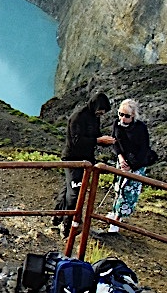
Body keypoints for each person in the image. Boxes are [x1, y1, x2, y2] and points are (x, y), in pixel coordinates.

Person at [56, 91, 115, 235]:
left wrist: (106, 141)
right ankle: (68, 225)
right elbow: (76, 141)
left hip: (86, 160)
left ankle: (57, 216)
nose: (102, 114)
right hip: (73, 160)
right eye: (101, 111)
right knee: (75, 192)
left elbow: (94, 136)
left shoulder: (94, 117)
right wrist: (98, 141)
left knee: (67, 189)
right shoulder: (78, 117)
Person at [106, 98, 154, 232]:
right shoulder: (117, 124)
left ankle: (117, 220)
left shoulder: (141, 128)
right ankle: (115, 212)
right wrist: (120, 158)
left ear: (133, 116)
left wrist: (131, 166)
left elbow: (144, 149)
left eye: (126, 116)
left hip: (136, 164)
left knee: (128, 192)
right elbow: (114, 142)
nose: (122, 118)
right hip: (122, 161)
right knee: (118, 188)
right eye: (120, 114)